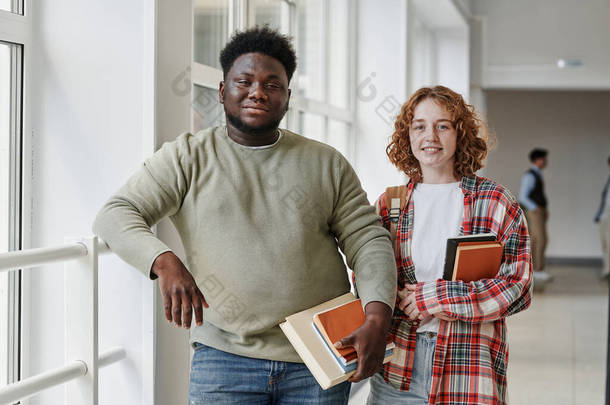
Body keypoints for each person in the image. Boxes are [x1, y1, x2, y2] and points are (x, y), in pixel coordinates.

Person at [93, 27, 397, 404]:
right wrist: (164, 261)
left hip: (319, 355)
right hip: (224, 359)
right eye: (245, 81)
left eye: (273, 84)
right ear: (223, 91)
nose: (257, 91)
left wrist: (376, 317)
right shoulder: (187, 157)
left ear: (287, 98)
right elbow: (116, 213)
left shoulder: (326, 163)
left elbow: (368, 240)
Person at [366, 86, 532, 405]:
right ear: (408, 136)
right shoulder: (390, 204)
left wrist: (437, 297)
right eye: (420, 126)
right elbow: (369, 276)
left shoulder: (496, 202)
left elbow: (518, 288)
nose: (431, 136)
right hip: (396, 369)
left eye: (443, 125)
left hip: (468, 367)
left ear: (460, 134)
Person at [519, 148, 552, 283]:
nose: (545, 161)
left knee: (534, 240)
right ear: (537, 160)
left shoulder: (536, 174)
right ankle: (538, 269)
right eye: (543, 159)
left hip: (539, 211)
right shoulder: (530, 176)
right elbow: (522, 196)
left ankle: (532, 269)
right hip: (534, 212)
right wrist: (536, 208)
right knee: (541, 239)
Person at [594, 156, 610, 278]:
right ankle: (607, 269)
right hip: (604, 217)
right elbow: (605, 200)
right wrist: (599, 215)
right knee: (604, 243)